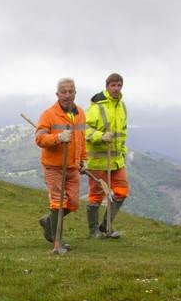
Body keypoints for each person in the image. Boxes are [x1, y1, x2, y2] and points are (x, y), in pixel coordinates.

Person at [34, 78, 86, 255]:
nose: (67, 95)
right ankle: (58, 243)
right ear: (57, 94)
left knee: (72, 203)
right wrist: (57, 138)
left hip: (71, 166)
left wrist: (83, 160)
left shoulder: (80, 113)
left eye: (70, 91)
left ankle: (48, 221)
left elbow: (81, 140)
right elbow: (39, 138)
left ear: (75, 93)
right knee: (58, 202)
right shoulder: (48, 114)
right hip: (54, 167)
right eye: (63, 91)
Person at [84, 73, 128, 239]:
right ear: (107, 86)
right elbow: (85, 130)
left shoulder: (122, 107)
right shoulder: (97, 106)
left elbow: (123, 132)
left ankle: (106, 226)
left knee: (122, 192)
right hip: (98, 160)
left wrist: (123, 152)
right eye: (113, 85)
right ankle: (93, 231)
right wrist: (101, 136)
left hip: (117, 161)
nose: (116, 88)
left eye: (119, 85)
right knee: (96, 196)